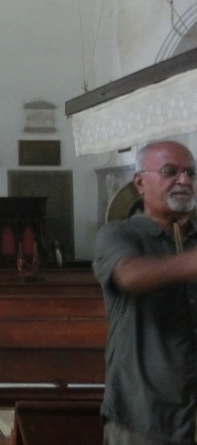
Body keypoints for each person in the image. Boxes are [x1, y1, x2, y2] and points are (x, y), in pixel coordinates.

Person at [93, 140, 197, 444]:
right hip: (144, 415)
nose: (184, 180)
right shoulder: (118, 235)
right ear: (140, 182)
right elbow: (128, 276)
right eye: (170, 171)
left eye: (191, 173)